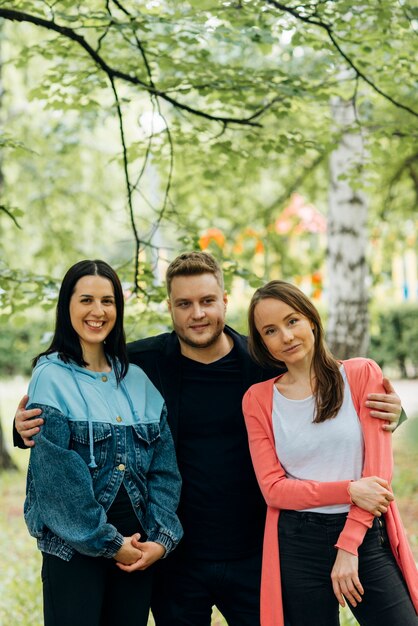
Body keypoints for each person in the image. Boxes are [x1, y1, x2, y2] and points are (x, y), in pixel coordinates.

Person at [15, 252, 404, 626]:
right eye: (184, 304)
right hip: (176, 558)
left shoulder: (263, 361)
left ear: (224, 301)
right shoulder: (140, 364)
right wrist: (23, 428)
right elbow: (81, 393)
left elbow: (326, 384)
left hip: (256, 552)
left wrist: (393, 409)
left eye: (206, 301)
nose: (197, 313)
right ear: (170, 307)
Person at [242, 280, 418, 626]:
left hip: (365, 535)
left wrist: (349, 545)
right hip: (298, 543)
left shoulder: (360, 374)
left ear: (311, 318)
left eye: (292, 321)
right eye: (271, 330)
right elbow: (274, 490)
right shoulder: (258, 400)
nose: (287, 336)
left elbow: (378, 474)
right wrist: (350, 489)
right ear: (263, 342)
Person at [22, 259, 182, 626]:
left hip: (138, 548)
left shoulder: (138, 381)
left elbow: (165, 471)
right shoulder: (50, 377)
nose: (98, 311)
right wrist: (112, 546)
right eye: (86, 300)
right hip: (75, 547)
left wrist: (160, 539)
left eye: (108, 301)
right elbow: (59, 485)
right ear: (67, 307)